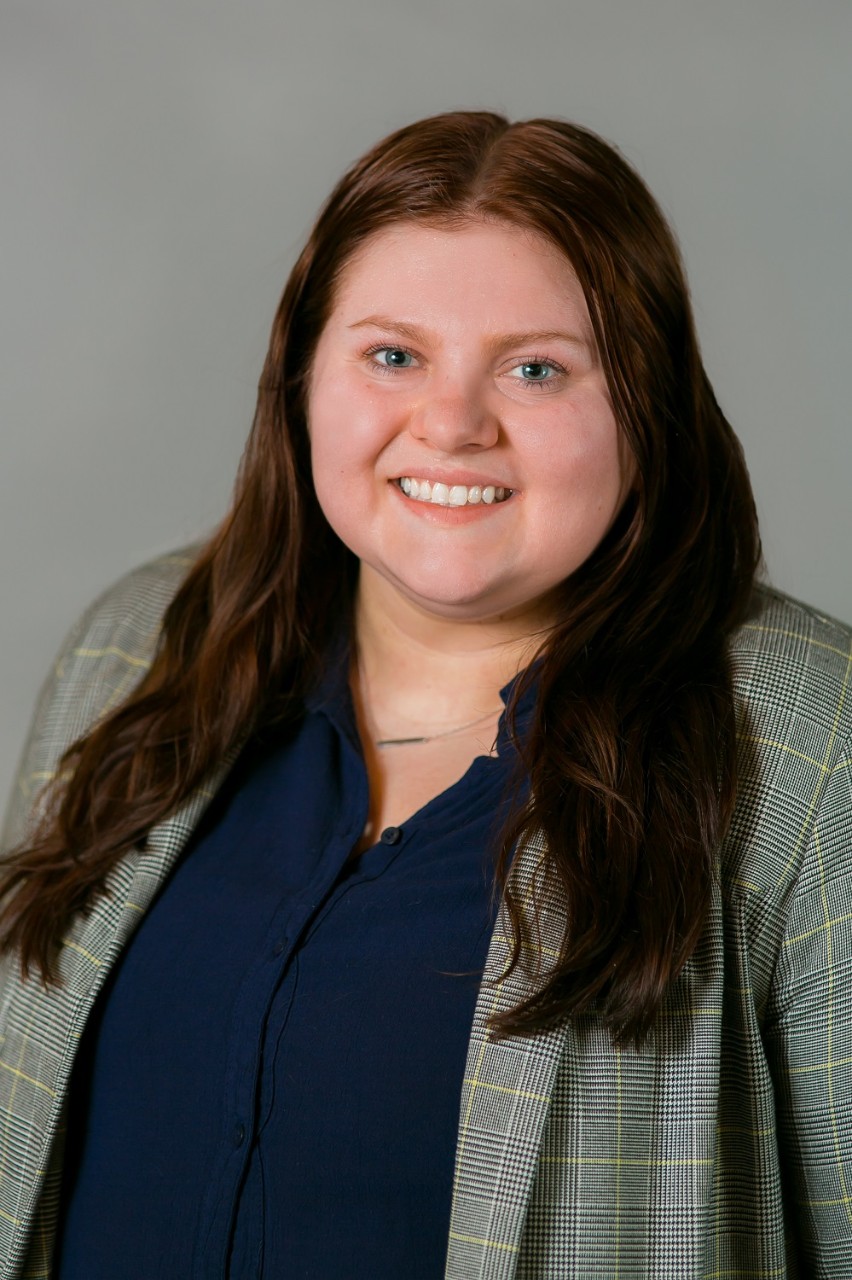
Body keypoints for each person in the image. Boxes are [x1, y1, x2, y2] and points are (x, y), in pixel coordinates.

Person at [0, 111, 850, 1279]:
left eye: (537, 367)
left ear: (644, 406)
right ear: (303, 381)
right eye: (393, 355)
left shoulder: (809, 742)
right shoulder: (136, 650)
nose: (451, 425)